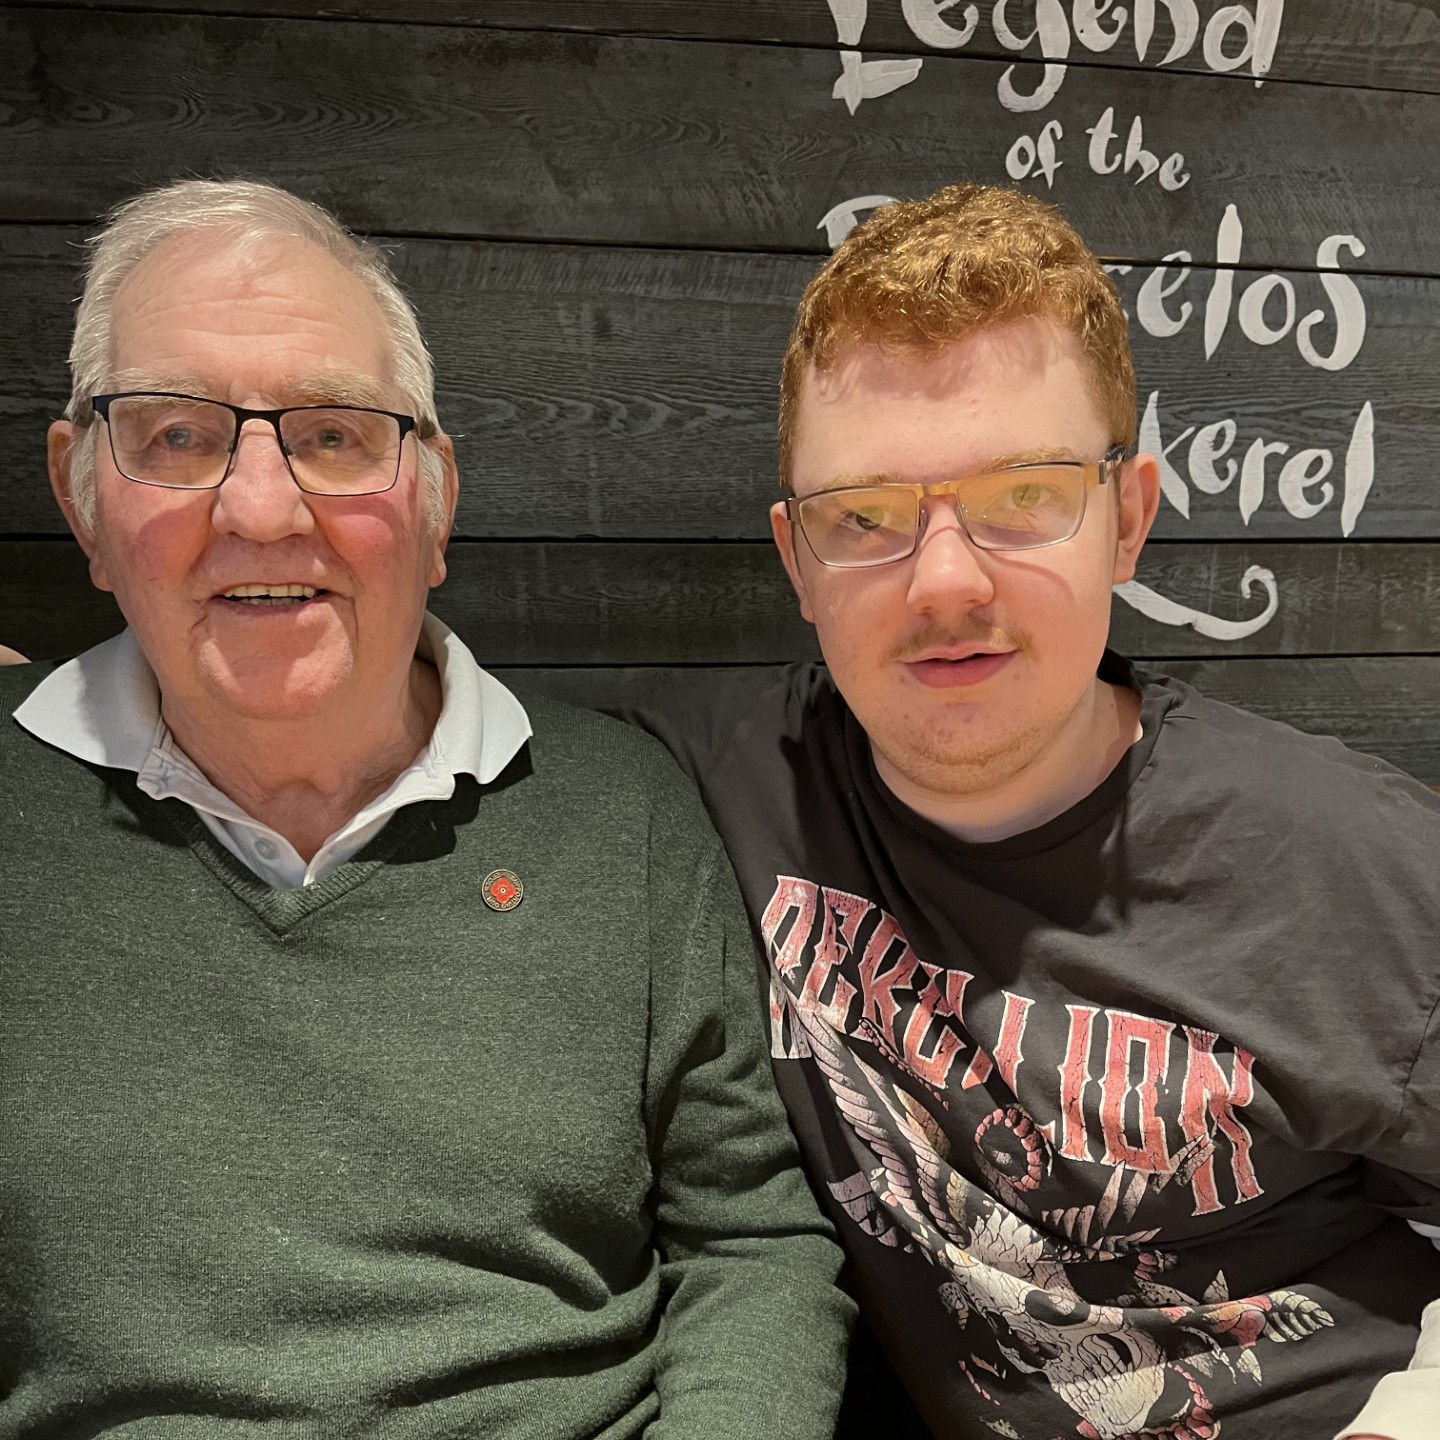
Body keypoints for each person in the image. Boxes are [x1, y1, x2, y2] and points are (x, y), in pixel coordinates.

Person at [0, 179, 852, 1437]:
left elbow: (753, 1244)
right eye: (176, 435)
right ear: (81, 493)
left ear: (435, 500)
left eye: (336, 434)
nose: (260, 507)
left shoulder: (623, 816)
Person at [627, 184, 1440, 1439]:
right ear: (797, 561)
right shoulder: (701, 784)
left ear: (1127, 520)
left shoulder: (1361, 863)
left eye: (1025, 495)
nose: (944, 580)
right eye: (867, 518)